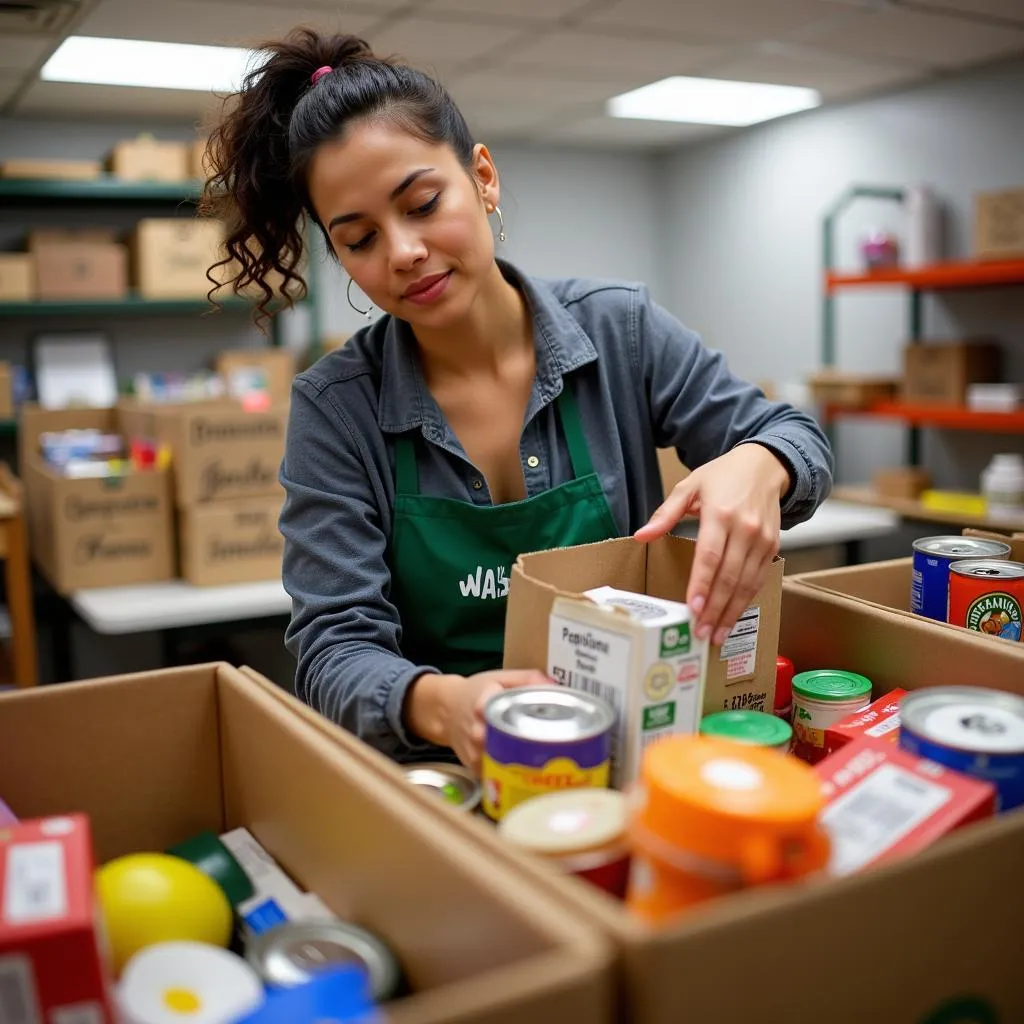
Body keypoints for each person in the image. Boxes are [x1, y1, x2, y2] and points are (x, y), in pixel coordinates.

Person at [203, 28, 833, 772]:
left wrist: (761, 463)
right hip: (452, 771)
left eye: (423, 202)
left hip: (638, 743)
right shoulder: (336, 408)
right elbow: (333, 651)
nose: (403, 251)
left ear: (484, 178)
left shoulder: (618, 329)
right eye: (360, 238)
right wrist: (443, 704)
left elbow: (797, 438)